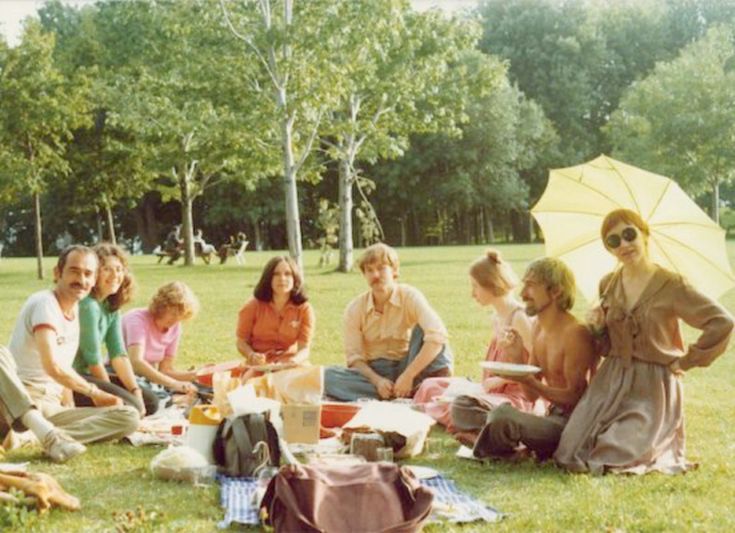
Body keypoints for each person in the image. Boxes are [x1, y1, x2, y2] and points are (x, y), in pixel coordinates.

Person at [554, 209, 733, 475]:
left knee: (612, 452)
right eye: (613, 241)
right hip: (611, 380)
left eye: (629, 234)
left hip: (652, 386)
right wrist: (598, 327)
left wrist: (686, 360)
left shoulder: (673, 285)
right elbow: (603, 347)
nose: (624, 245)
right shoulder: (608, 284)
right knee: (570, 448)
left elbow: (723, 321)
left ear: (645, 234)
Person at [6, 245, 140, 449]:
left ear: (94, 280)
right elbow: (53, 367)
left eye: (88, 274)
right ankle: (40, 432)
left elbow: (64, 367)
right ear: (57, 273)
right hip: (21, 398)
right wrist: (96, 393)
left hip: (51, 406)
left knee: (129, 416)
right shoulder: (44, 303)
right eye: (74, 271)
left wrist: (69, 405)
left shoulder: (75, 309)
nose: (82, 280)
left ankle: (36, 438)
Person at [471, 257, 596, 461]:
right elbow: (530, 396)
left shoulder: (575, 334)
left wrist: (531, 382)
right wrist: (517, 356)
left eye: (531, 286)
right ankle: (506, 444)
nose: (522, 294)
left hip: (572, 425)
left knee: (502, 416)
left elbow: (575, 397)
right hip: (551, 416)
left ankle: (503, 448)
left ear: (556, 291)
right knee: (496, 411)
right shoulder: (538, 327)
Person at [412, 249, 537, 434]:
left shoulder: (519, 317)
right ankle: (432, 409)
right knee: (430, 385)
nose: (473, 294)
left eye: (476, 286)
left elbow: (536, 365)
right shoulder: (496, 318)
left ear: (491, 284)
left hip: (514, 398)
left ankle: (432, 411)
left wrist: (502, 379)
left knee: (462, 406)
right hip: (489, 390)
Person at [324, 243, 452, 401]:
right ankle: (407, 393)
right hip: (374, 372)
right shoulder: (355, 308)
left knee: (430, 334)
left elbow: (438, 336)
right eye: (369, 270)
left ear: (394, 271)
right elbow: (355, 359)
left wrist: (408, 375)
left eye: (381, 268)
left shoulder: (410, 296)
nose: (375, 275)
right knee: (326, 376)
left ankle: (410, 389)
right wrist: (377, 381)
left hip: (407, 363)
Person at [72, 244, 159, 416]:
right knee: (130, 408)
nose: (115, 276)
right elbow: (93, 359)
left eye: (119, 269)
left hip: (93, 375)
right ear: (95, 274)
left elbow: (118, 353)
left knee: (150, 402)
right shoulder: (88, 306)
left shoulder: (111, 306)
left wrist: (135, 391)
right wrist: (109, 395)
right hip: (75, 378)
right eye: (107, 270)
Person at [0, 345, 86, 462]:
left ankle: (34, 434)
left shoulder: (72, 328)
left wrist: (70, 401)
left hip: (31, 406)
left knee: (119, 415)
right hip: (29, 399)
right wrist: (93, 392)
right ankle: (48, 435)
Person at [236, 256, 315, 378]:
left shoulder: (304, 309)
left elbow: (304, 349)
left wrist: (294, 361)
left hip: (290, 362)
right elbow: (241, 342)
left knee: (310, 381)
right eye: (276, 274)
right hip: (259, 365)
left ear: (295, 278)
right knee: (252, 386)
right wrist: (251, 355)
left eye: (287, 274)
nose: (282, 279)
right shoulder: (252, 306)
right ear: (268, 278)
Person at [122, 282, 200, 397]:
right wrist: (174, 384)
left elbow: (165, 370)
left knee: (195, 391)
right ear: (161, 307)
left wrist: (195, 375)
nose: (176, 319)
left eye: (181, 315)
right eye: (173, 313)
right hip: (123, 374)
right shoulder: (137, 319)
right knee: (155, 400)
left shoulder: (175, 327)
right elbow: (136, 362)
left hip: (147, 380)